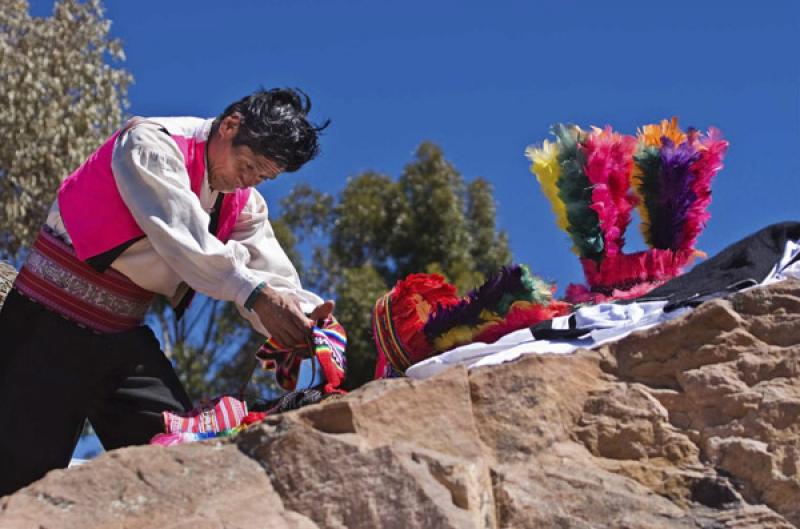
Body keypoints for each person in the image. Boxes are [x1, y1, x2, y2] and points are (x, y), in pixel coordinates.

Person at [0, 88, 334, 495]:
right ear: (230, 126)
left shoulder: (242, 203)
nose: (248, 182)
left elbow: (271, 274)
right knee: (18, 480)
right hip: (46, 323)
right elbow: (186, 243)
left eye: (262, 177)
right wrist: (258, 296)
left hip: (120, 338)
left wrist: (307, 318)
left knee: (181, 458)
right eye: (248, 166)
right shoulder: (150, 145)